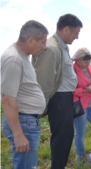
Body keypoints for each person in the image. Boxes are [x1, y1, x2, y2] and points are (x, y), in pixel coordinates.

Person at [32, 14, 83, 169]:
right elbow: (44, 79)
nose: (77, 37)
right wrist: (42, 105)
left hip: (65, 98)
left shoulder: (62, 46)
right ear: (66, 29)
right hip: (58, 99)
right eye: (76, 33)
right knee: (62, 139)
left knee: (66, 137)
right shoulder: (53, 48)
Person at [1, 20, 48, 169]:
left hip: (27, 121)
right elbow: (7, 100)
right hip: (23, 124)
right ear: (31, 40)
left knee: (28, 164)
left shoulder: (23, 56)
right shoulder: (14, 59)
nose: (44, 47)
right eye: (42, 42)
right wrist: (18, 134)